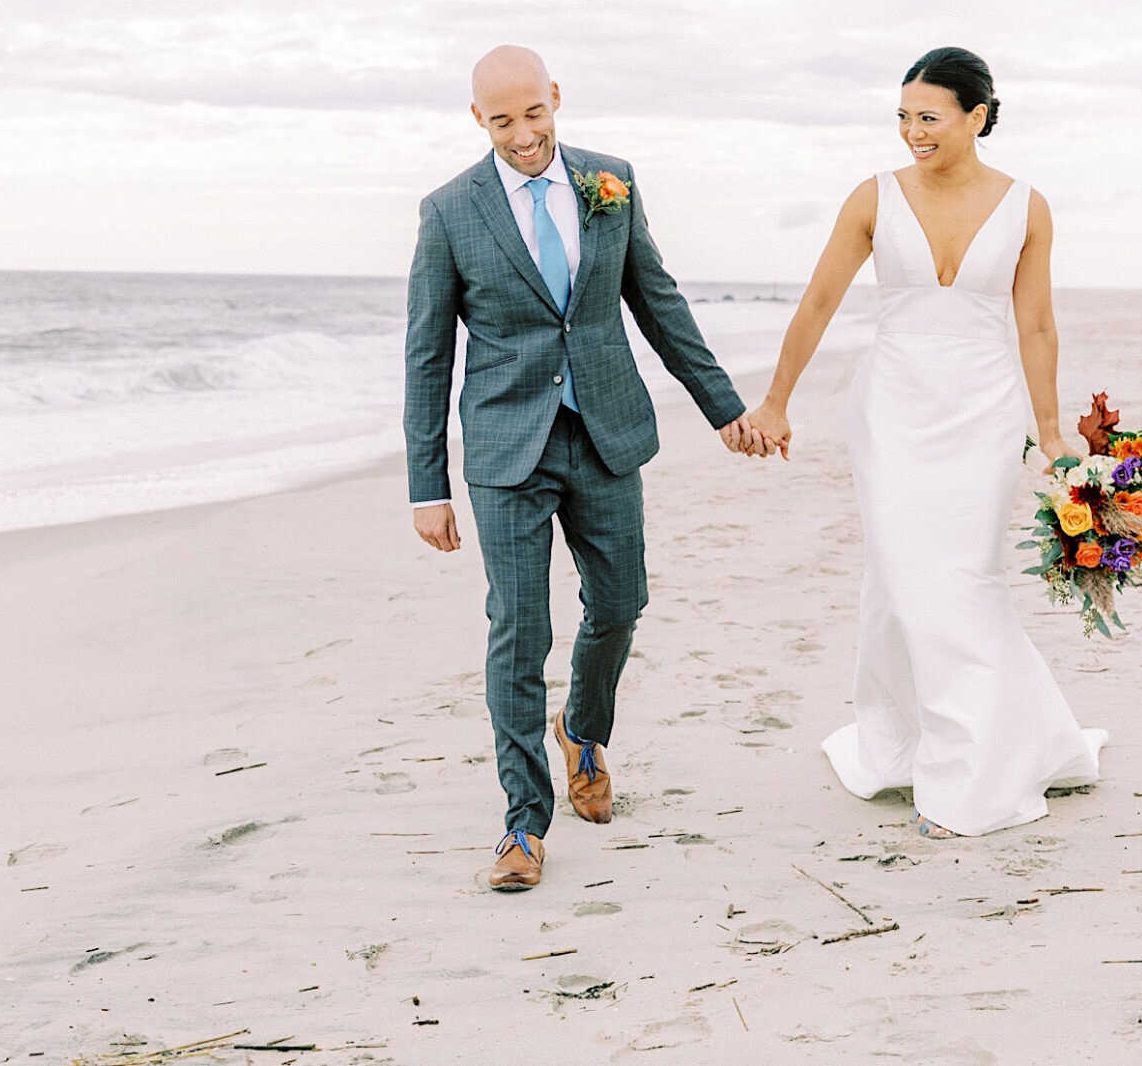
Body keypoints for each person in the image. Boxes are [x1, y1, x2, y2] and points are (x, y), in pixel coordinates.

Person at [404, 45, 768, 892]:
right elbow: (427, 355)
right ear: (478, 120)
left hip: (604, 430)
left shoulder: (613, 182)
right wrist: (429, 485)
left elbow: (659, 302)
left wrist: (726, 409)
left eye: (534, 113)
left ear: (555, 98)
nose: (524, 134)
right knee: (518, 629)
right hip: (505, 448)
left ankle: (584, 728)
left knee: (619, 602)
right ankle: (523, 823)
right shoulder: (449, 211)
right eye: (502, 121)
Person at [738, 47, 1104, 838]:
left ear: (977, 116)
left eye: (929, 116)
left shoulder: (1027, 206)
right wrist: (775, 400)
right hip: (893, 413)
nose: (912, 131)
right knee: (904, 581)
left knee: (964, 579)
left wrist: (1049, 432)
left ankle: (973, 771)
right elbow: (819, 302)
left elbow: (1036, 324)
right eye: (903, 116)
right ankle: (911, 745)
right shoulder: (873, 197)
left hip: (985, 414)